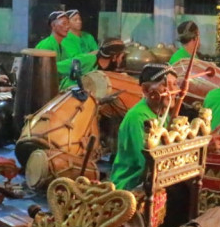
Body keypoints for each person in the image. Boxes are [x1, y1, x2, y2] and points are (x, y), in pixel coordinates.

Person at [109, 63, 177, 191]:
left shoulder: (163, 113)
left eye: (175, 84)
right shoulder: (137, 117)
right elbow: (145, 162)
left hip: (155, 180)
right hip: (130, 187)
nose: (173, 91)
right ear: (146, 90)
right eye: (166, 85)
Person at [57, 37, 126, 89]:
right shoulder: (87, 59)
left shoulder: (113, 67)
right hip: (69, 94)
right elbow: (57, 67)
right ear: (114, 57)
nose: (122, 59)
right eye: (122, 56)